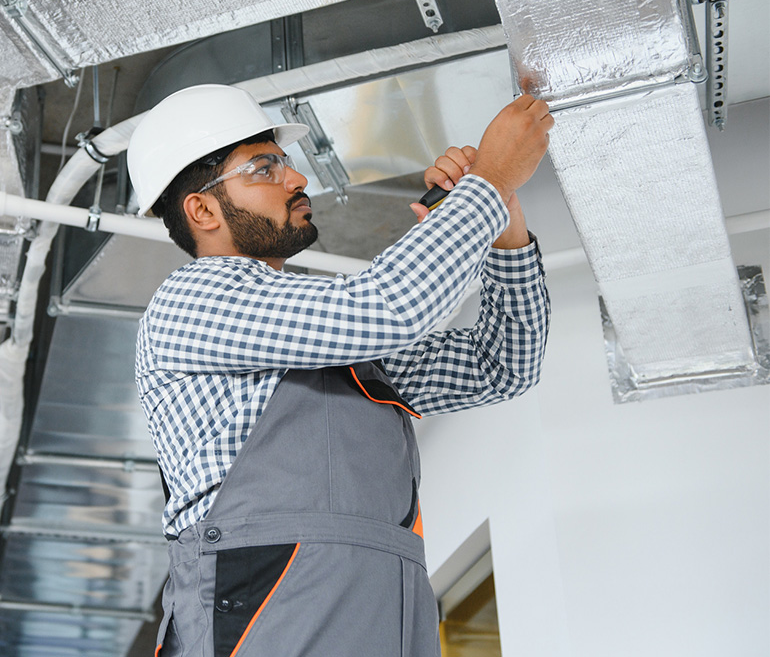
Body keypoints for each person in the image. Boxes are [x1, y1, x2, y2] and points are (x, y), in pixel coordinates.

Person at [128, 83, 553, 657]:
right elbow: (390, 307)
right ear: (202, 210)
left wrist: (503, 223)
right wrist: (490, 183)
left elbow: (501, 365)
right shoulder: (192, 301)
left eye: (285, 162)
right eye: (264, 168)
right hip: (270, 626)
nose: (297, 179)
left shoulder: (333, 341)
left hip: (384, 621)